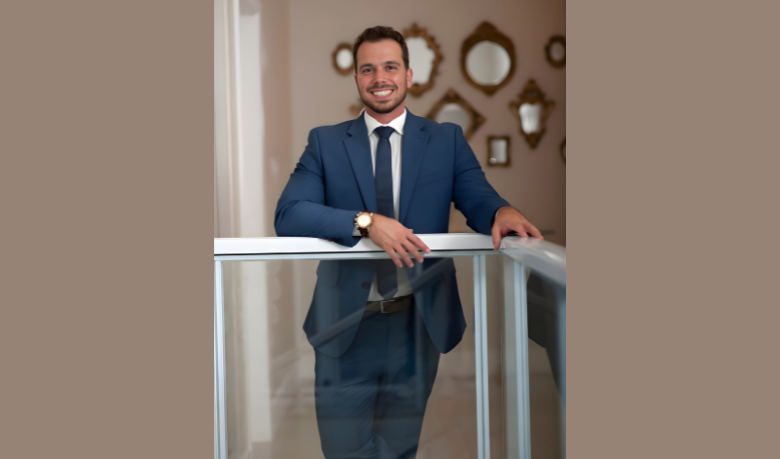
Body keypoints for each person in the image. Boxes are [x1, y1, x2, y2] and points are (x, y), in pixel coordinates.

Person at [275, 25, 542, 459]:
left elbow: (478, 196)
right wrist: (366, 222)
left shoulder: (445, 140)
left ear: (409, 75)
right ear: (356, 78)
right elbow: (289, 214)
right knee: (343, 450)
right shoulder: (325, 142)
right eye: (368, 69)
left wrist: (501, 212)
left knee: (400, 449)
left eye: (390, 67)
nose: (379, 77)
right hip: (345, 323)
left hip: (417, 324)